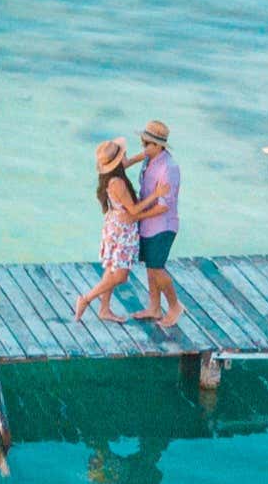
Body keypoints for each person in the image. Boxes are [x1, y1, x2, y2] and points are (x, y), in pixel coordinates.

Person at [69, 141, 154, 321]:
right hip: (123, 230)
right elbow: (134, 210)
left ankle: (104, 310)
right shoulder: (117, 183)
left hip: (115, 225)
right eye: (123, 153)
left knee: (111, 270)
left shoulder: (111, 173)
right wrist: (156, 195)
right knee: (120, 276)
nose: (126, 155)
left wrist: (144, 154)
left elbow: (128, 162)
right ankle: (85, 299)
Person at [131, 120, 184, 328]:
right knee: (150, 268)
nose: (144, 147)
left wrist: (137, 216)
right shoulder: (148, 159)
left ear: (159, 145)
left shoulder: (169, 168)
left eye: (147, 144)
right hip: (147, 225)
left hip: (163, 226)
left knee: (157, 269)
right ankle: (154, 307)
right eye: (143, 143)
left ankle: (174, 306)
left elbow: (164, 206)